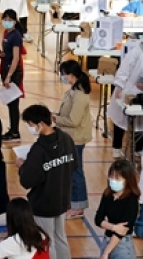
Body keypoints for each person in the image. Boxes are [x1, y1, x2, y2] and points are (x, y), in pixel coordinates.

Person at [19, 104, 78, 259]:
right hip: (62, 198)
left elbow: (27, 180)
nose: (30, 128)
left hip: (43, 203)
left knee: (47, 241)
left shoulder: (38, 150)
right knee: (60, 237)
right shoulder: (66, 139)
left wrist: (22, 166)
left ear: (41, 124)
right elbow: (74, 165)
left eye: (31, 124)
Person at [57, 60, 92, 220]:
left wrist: (56, 119)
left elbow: (73, 120)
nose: (63, 77)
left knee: (76, 172)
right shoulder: (73, 90)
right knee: (70, 171)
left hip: (76, 138)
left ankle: (78, 206)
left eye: (64, 74)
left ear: (71, 75)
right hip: (70, 136)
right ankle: (71, 201)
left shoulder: (79, 95)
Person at [0, 9, 25, 141]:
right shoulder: (6, 33)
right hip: (5, 68)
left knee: (13, 104)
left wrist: (9, 76)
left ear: (15, 21)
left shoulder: (16, 36)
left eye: (10, 20)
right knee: (10, 103)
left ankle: (15, 132)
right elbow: (7, 54)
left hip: (13, 72)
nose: (7, 22)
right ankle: (12, 129)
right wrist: (1, 54)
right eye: (5, 19)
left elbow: (16, 58)